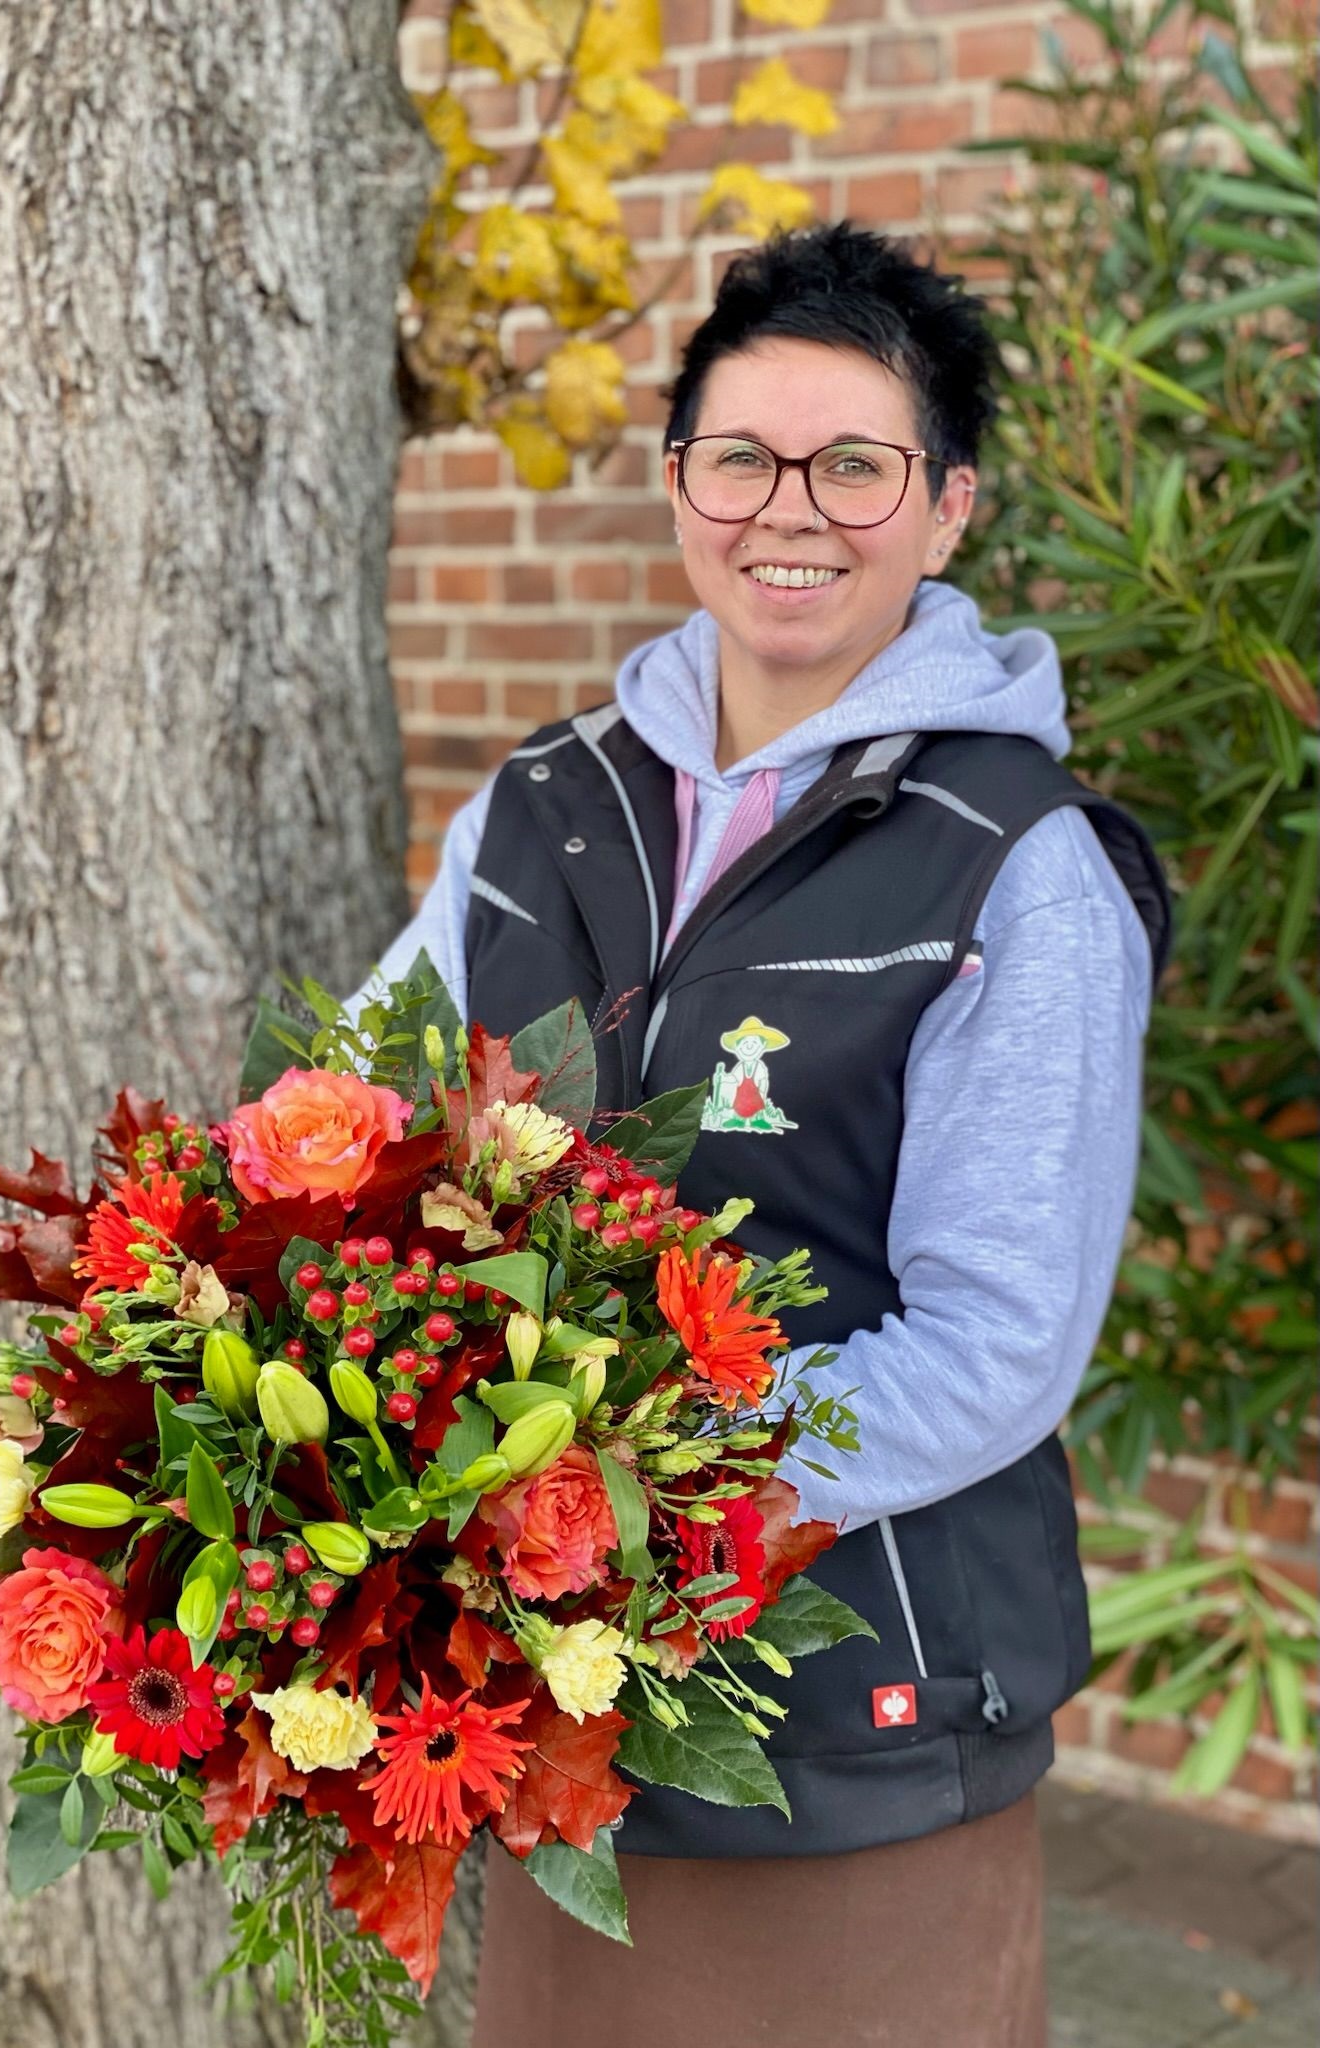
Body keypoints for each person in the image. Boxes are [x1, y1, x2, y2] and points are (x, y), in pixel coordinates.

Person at [365, 223, 1169, 2046]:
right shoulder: (545, 809)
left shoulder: (1016, 862)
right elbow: (351, 1119)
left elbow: (996, 1344)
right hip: (556, 1694)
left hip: (855, 1706)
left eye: (854, 465)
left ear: (945, 510)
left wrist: (637, 1491)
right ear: (679, 486)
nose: (788, 510)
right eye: (740, 457)